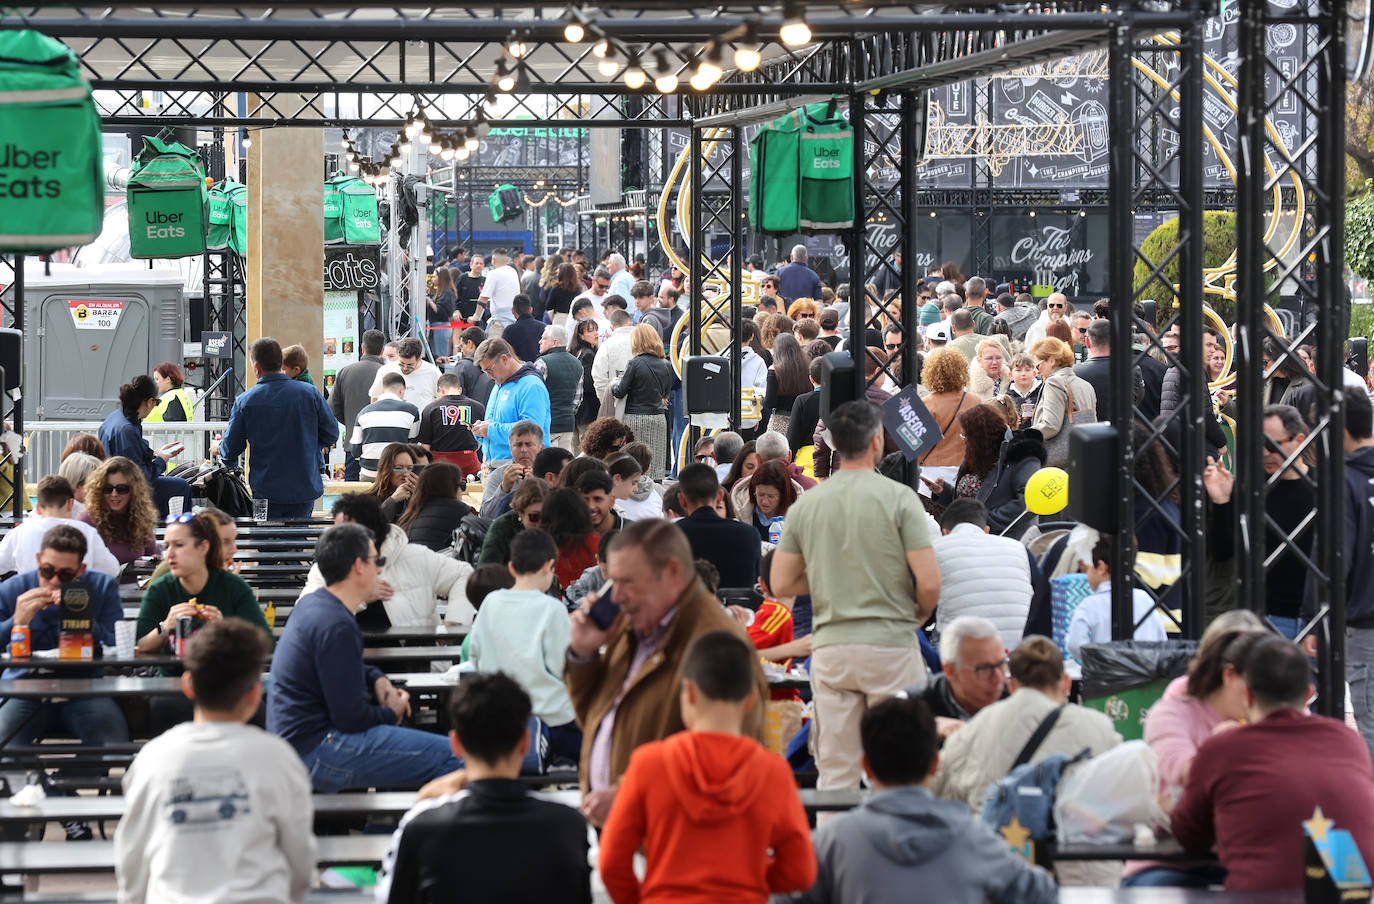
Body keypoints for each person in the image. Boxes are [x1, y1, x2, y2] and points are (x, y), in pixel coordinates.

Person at [772, 400, 940, 790]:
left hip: (833, 649)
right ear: (878, 440)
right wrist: (914, 616)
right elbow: (929, 583)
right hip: (893, 646)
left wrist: (830, 579)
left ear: (831, 442)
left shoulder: (808, 503)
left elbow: (781, 583)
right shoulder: (900, 499)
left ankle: (838, 849)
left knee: (836, 770)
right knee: (901, 767)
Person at [562, 519, 768, 826]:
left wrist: (633, 795)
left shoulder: (719, 643)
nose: (615, 597)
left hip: (677, 849)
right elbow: (593, 718)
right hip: (625, 835)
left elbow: (726, 766)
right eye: (612, 582)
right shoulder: (635, 622)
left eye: (627, 582)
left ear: (672, 572)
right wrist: (583, 654)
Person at [599, 631, 816, 903]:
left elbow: (611, 862)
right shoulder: (773, 772)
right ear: (751, 698)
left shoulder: (649, 764)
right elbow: (800, 872)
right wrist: (746, 880)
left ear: (688, 692)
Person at [786, 695, 1057, 904]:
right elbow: (1041, 892)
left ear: (866, 767)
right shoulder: (975, 839)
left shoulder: (832, 843)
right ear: (934, 765)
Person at [116, 620, 314, 904]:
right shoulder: (279, 758)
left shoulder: (152, 758)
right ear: (256, 692)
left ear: (188, 685)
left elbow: (132, 858)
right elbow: (300, 860)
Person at [268, 523, 463, 791]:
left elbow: (343, 668)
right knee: (459, 757)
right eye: (376, 560)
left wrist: (377, 678)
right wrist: (391, 711)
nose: (381, 568)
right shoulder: (336, 623)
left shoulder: (317, 605)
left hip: (296, 743)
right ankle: (407, 830)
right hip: (317, 750)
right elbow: (351, 718)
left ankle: (387, 825)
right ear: (359, 566)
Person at [1171, 636, 1374, 889]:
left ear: (1247, 693)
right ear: (1309, 693)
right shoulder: (1348, 740)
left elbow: (1188, 835)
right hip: (1348, 894)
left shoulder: (1224, 746)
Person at [377, 673, 594, 904]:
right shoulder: (569, 825)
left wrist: (420, 802)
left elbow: (389, 897)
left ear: (456, 744)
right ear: (524, 743)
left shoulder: (422, 828)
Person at [1122, 612, 1267, 888]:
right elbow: (1187, 778)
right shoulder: (1177, 706)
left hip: (1251, 859)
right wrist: (1226, 747)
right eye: (1256, 678)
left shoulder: (1272, 704)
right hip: (1175, 859)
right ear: (1228, 674)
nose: (1260, 689)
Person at [0, 525, 127, 839]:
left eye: (66, 575)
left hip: (84, 686)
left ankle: (55, 791)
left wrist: (82, 616)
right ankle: (63, 802)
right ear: (38, 559)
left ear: (82, 569)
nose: (54, 581)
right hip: (25, 686)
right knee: (3, 743)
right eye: (47, 570)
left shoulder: (101, 587)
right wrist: (16, 622)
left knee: (114, 743)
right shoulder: (14, 588)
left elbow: (117, 645)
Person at [934, 636, 1120, 812]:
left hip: (994, 841)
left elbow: (937, 788)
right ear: (1066, 683)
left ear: (1011, 686)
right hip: (1072, 841)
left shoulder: (975, 728)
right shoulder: (1100, 727)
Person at [469, 528, 580, 762]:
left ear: (511, 567)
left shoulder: (490, 602)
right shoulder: (553, 609)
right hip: (550, 719)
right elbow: (565, 668)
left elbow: (475, 658)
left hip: (498, 717)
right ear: (549, 567)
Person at [1206, 405, 1315, 640]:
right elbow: (1223, 551)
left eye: (1272, 445)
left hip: (1316, 619)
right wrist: (1222, 502)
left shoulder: (1323, 487)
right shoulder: (1250, 489)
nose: (1265, 453)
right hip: (1265, 618)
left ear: (1299, 440)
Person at [301, 492, 474, 629]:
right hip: (352, 662)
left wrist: (454, 624)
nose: (336, 538)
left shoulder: (414, 556)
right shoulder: (327, 566)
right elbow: (306, 612)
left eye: (345, 532)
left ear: (372, 535)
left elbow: (464, 575)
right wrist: (358, 599)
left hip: (414, 663)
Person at [214, 338, 339, 520]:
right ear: (280, 363)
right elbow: (332, 434)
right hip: (304, 487)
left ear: (256, 368)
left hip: (265, 490)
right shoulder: (310, 393)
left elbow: (231, 448)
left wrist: (222, 452)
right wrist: (309, 441)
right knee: (298, 540)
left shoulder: (245, 401)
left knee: (265, 542)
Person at [1325, 389, 1374, 762]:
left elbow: (1337, 560)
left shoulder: (1345, 482)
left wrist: (1318, 617)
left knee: (1370, 725)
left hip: (1364, 623)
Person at [931, 499, 1032, 653]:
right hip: (1021, 649)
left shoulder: (936, 548)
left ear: (945, 532)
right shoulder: (1019, 548)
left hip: (964, 652)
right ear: (986, 530)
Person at [98, 374, 191, 518]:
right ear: (149, 401)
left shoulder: (117, 418)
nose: (155, 406)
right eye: (157, 402)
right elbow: (142, 476)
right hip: (129, 489)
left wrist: (154, 453)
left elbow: (131, 454)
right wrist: (161, 460)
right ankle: (182, 532)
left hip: (116, 485)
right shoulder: (127, 429)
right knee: (181, 486)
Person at [1067, 534, 1168, 659]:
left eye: (1088, 568)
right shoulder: (1145, 598)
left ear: (1101, 567)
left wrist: (1095, 660)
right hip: (1145, 673)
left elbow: (1074, 644)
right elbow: (1161, 640)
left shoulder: (1089, 604)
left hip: (1105, 674)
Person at [0, 475, 120, 577]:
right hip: (75, 601)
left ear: (38, 508)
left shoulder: (19, 533)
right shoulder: (87, 532)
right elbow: (112, 570)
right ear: (70, 504)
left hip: (32, 600)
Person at [673, 463, 762, 589]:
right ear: (720, 496)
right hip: (739, 607)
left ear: (681, 500)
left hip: (690, 607)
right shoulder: (749, 535)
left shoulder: (673, 535)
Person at [909, 615, 1010, 726]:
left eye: (1001, 664)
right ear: (951, 671)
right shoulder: (915, 711)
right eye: (984, 669)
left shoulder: (1015, 696)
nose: (998, 678)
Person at [472, 338, 552, 468]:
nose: (487, 375)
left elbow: (532, 431)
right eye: (484, 371)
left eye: (489, 370)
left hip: (521, 468)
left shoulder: (531, 386)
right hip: (496, 466)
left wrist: (490, 430)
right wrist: (481, 431)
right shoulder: (499, 384)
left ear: (504, 359)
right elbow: (494, 424)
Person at [613, 324, 676, 482]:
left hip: (635, 418)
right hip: (658, 419)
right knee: (655, 463)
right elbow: (666, 393)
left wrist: (614, 384)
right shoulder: (666, 364)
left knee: (634, 461)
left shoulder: (634, 363)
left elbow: (620, 391)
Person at [78, 457, 159, 578]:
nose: (114, 494)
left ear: (134, 490)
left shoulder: (141, 518)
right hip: (101, 592)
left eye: (122, 489)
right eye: (108, 489)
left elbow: (152, 556)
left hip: (136, 592)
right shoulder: (87, 521)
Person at [916, 348, 981, 494]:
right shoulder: (974, 401)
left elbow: (917, 444)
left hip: (930, 472)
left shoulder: (926, 404)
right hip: (965, 470)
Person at [331, 329, 387, 480]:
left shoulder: (345, 371)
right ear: (382, 350)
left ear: (362, 348)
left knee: (352, 495)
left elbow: (333, 407)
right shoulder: (388, 373)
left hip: (353, 444)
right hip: (381, 445)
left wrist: (351, 422)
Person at [349, 371, 420, 481]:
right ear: (401, 390)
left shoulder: (364, 412)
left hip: (370, 473)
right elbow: (413, 446)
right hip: (399, 475)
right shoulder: (411, 411)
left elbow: (354, 449)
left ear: (382, 391)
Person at [1031, 336, 1098, 450]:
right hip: (1083, 452)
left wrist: (1025, 436)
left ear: (1052, 361)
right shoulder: (1086, 385)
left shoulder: (1054, 382)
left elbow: (1050, 425)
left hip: (1058, 458)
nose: (1037, 371)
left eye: (1038, 365)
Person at [417, 372, 485, 478]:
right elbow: (481, 438)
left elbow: (425, 445)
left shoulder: (430, 408)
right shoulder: (478, 407)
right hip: (468, 460)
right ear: (460, 390)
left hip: (440, 463)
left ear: (441, 390)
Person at [1074, 319, 1144, 420]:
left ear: (1087, 342)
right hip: (1122, 429)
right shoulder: (1132, 370)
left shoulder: (1075, 372)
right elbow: (1137, 399)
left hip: (1088, 430)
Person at [397, 462, 474, 552]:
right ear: (451, 488)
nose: (462, 491)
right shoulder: (461, 511)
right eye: (461, 485)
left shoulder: (411, 512)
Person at [479, 420, 545, 519]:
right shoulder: (499, 475)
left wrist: (537, 488)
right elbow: (485, 516)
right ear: (510, 448)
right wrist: (503, 488)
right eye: (518, 445)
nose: (523, 450)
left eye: (529, 444)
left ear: (541, 448)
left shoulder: (548, 474)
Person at [534, 324, 584, 453]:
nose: (540, 341)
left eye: (544, 338)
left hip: (547, 426)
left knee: (546, 466)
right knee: (563, 465)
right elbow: (577, 400)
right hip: (567, 424)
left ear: (555, 342)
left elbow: (535, 396)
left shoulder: (542, 363)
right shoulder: (577, 363)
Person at [479, 477, 550, 567]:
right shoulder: (501, 528)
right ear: (520, 512)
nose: (541, 523)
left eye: (546, 516)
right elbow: (485, 572)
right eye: (535, 517)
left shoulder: (554, 525)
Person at [367, 337, 442, 410]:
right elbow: (375, 397)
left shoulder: (433, 372)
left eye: (410, 365)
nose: (405, 368)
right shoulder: (385, 370)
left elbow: (442, 398)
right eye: (402, 363)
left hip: (422, 421)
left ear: (419, 359)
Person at [741, 459, 797, 542]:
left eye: (771, 496)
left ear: (783, 495)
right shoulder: (743, 511)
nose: (764, 502)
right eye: (760, 495)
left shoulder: (796, 517)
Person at [474, 248, 521, 336]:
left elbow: (483, 298)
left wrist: (476, 317)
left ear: (493, 260)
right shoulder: (513, 271)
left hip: (499, 321)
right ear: (506, 260)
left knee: (495, 348)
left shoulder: (494, 273)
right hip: (514, 318)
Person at [568, 317, 602, 442]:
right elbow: (588, 383)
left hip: (576, 409)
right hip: (588, 408)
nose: (596, 333)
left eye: (596, 330)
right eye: (591, 331)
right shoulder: (588, 354)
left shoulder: (575, 352)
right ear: (581, 336)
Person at [609, 446, 663, 522]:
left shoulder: (611, 490)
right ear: (648, 468)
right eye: (633, 483)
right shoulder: (658, 490)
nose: (636, 489)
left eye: (635, 483)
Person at [576, 469, 623, 539]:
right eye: (584, 500)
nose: (591, 506)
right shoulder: (567, 534)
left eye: (597, 499)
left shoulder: (633, 534)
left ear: (611, 502)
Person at [502, 294, 545, 363]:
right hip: (540, 368)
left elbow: (503, 352)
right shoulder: (543, 327)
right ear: (531, 310)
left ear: (513, 310)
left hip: (520, 369)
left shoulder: (509, 330)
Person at [1006, 352, 1042, 428]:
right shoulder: (1006, 396)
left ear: (1034, 373)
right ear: (1010, 375)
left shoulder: (1043, 391)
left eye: (1027, 370)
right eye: (1018, 370)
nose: (1023, 374)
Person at [427, 266, 457, 358]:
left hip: (441, 326)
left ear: (442, 278)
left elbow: (439, 310)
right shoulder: (440, 292)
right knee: (437, 355)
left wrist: (429, 300)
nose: (433, 279)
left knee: (441, 356)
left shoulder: (447, 292)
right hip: (437, 326)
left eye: (435, 276)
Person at [544, 261, 583, 327]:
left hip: (559, 318)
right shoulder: (578, 289)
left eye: (558, 269)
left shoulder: (556, 288)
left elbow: (548, 306)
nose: (557, 271)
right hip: (573, 319)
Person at [455, 253, 485, 321]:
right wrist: (455, 310)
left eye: (481, 264)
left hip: (479, 317)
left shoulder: (485, 280)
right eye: (476, 263)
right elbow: (454, 296)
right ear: (471, 265)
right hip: (462, 316)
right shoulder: (462, 278)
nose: (479, 265)